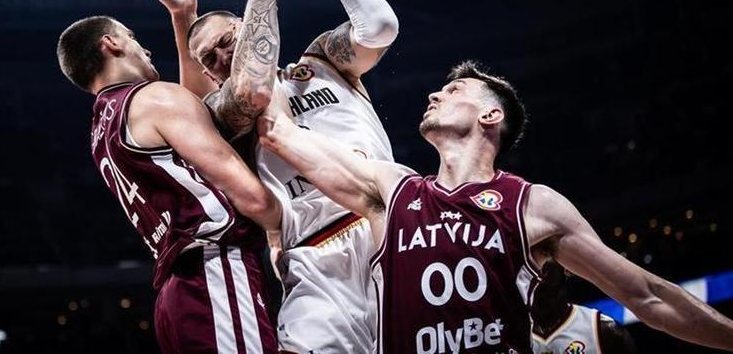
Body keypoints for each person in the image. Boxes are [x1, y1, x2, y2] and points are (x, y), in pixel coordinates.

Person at [259, 60, 733, 353]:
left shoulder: (532, 205)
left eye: (454, 90)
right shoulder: (393, 189)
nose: (434, 93)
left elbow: (646, 295)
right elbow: (278, 129)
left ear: (491, 115)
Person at [139, 0, 401, 352]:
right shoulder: (227, 111)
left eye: (224, 42)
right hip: (315, 261)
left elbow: (379, 27)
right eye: (210, 59)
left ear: (244, 25)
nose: (221, 58)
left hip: (391, 228)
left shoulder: (321, 62)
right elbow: (253, 87)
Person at [56, 0, 283, 354]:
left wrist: (183, 17)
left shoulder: (104, 126)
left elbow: (196, 113)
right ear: (111, 44)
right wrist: (301, 234)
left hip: (176, 294)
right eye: (133, 37)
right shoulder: (155, 97)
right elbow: (250, 195)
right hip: (215, 268)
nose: (144, 47)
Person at [531, 261, 637, 354]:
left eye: (544, 254)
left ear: (567, 269)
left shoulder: (605, 330)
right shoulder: (515, 334)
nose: (536, 265)